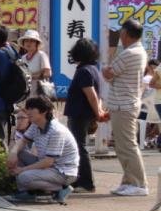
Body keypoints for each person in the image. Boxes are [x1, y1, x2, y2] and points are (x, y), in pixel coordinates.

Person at [103, 18, 149, 196]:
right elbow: (110, 73)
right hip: (125, 103)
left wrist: (107, 70)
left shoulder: (129, 53)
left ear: (125, 34)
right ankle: (129, 180)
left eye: (121, 33)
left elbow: (109, 73)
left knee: (127, 145)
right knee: (123, 146)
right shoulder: (137, 51)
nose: (120, 36)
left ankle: (138, 183)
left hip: (124, 104)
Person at [7, 96, 80, 203]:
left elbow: (48, 162)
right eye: (28, 108)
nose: (28, 112)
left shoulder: (56, 131)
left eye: (32, 109)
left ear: (44, 111)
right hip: (47, 166)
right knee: (19, 152)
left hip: (62, 171)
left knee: (23, 177)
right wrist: (13, 153)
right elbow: (22, 141)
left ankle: (62, 188)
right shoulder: (36, 125)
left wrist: (22, 170)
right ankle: (30, 191)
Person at [61, 37, 106, 193]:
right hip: (84, 113)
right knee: (80, 146)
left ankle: (86, 183)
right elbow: (97, 96)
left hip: (79, 113)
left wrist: (98, 112)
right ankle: (82, 181)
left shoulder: (84, 71)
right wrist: (98, 112)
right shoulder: (94, 69)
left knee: (78, 147)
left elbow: (91, 95)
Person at [19, 29, 52, 99]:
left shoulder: (41, 55)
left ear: (36, 43)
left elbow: (47, 73)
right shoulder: (23, 58)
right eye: (26, 41)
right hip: (26, 94)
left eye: (32, 41)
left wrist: (29, 76)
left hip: (39, 94)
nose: (29, 43)